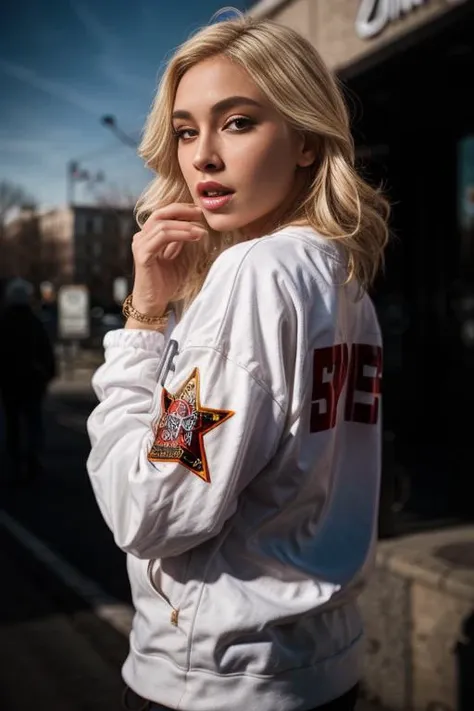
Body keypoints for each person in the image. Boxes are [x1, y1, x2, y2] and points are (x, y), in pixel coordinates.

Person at [86, 13, 389, 711]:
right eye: (188, 131)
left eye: (239, 122)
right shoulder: (341, 278)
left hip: (221, 678)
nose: (202, 159)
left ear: (308, 140)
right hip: (318, 663)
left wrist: (141, 323)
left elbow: (151, 504)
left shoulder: (256, 272)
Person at [0, 278, 56, 481]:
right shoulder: (34, 322)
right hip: (33, 380)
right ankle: (33, 458)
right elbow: (45, 351)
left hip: (10, 381)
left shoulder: (4, 322)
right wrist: (48, 374)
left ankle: (15, 459)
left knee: (12, 421)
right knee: (34, 420)